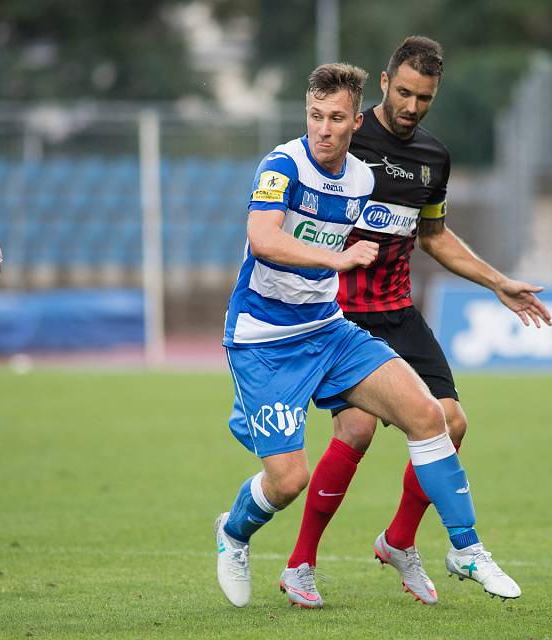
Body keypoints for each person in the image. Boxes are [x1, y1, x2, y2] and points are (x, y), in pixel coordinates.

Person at [215, 61, 521, 610]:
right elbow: (262, 240)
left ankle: (465, 547)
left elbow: (424, 229)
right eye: (315, 115)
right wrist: (337, 258)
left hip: (330, 331)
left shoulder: (361, 178)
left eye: (335, 118)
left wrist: (495, 280)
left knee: (434, 418)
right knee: (287, 482)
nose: (323, 128)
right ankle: (234, 534)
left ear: (356, 122)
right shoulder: (281, 165)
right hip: (264, 338)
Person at [281, 36, 552, 608]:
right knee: (353, 430)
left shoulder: (433, 157)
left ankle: (398, 541)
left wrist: (497, 280)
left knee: (451, 424)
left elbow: (432, 236)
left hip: (399, 312)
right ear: (383, 84)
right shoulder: (348, 140)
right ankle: (300, 563)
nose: (410, 106)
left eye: (423, 98)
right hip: (343, 316)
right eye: (402, 92)